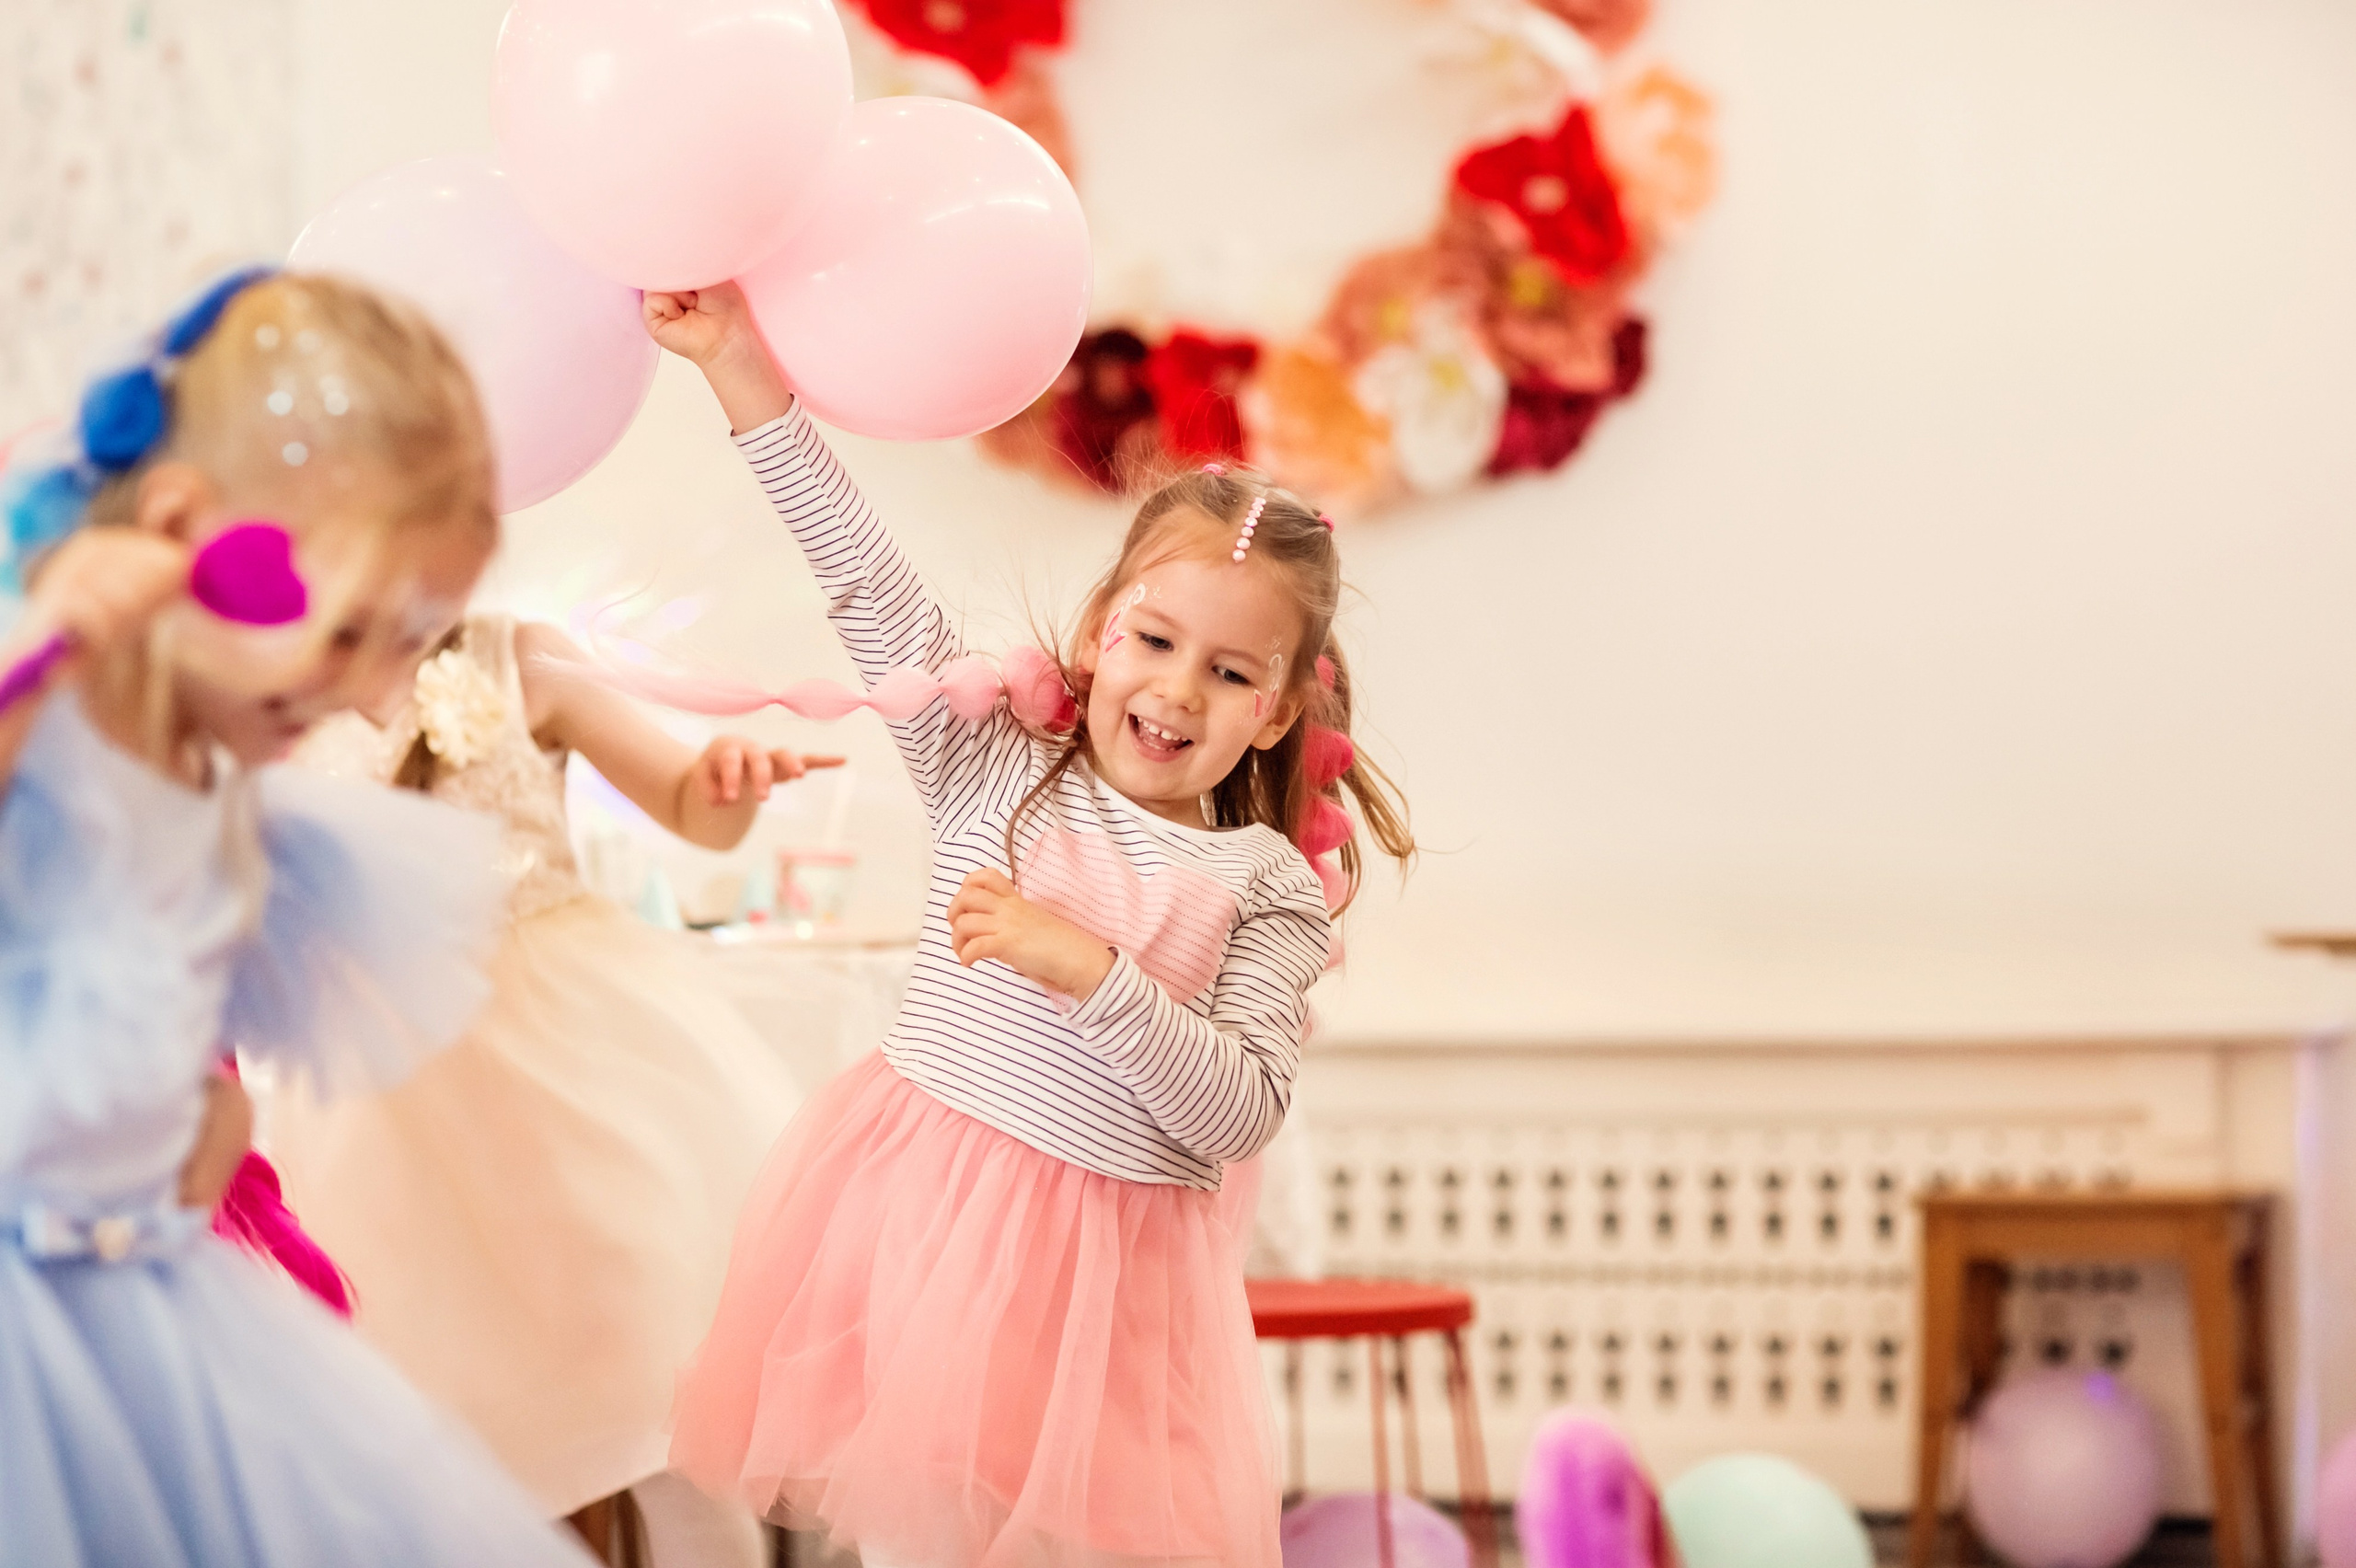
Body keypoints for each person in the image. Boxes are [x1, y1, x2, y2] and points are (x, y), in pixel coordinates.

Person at [648, 282, 1415, 1568]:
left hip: (1110, 1306)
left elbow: (1235, 1112)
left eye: (1230, 674)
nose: (1178, 690)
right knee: (923, 1542)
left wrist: (1095, 972)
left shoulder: (1264, 885)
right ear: (1102, 636)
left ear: (1278, 713)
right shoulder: (996, 767)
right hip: (930, 1241)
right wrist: (733, 359)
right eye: (1155, 641)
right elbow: (861, 577)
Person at [0, 267, 593, 1566]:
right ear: (174, 528)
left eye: (409, 643)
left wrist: (192, 1112)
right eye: (346, 634)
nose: (375, 695)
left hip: (140, 1312)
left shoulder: (231, 799)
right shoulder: (40, 726)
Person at [271, 606, 826, 1564]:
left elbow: (693, 804)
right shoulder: (263, 694)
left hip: (572, 1079)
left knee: (651, 1372)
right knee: (473, 1411)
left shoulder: (522, 658)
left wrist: (725, 786)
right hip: (386, 1123)